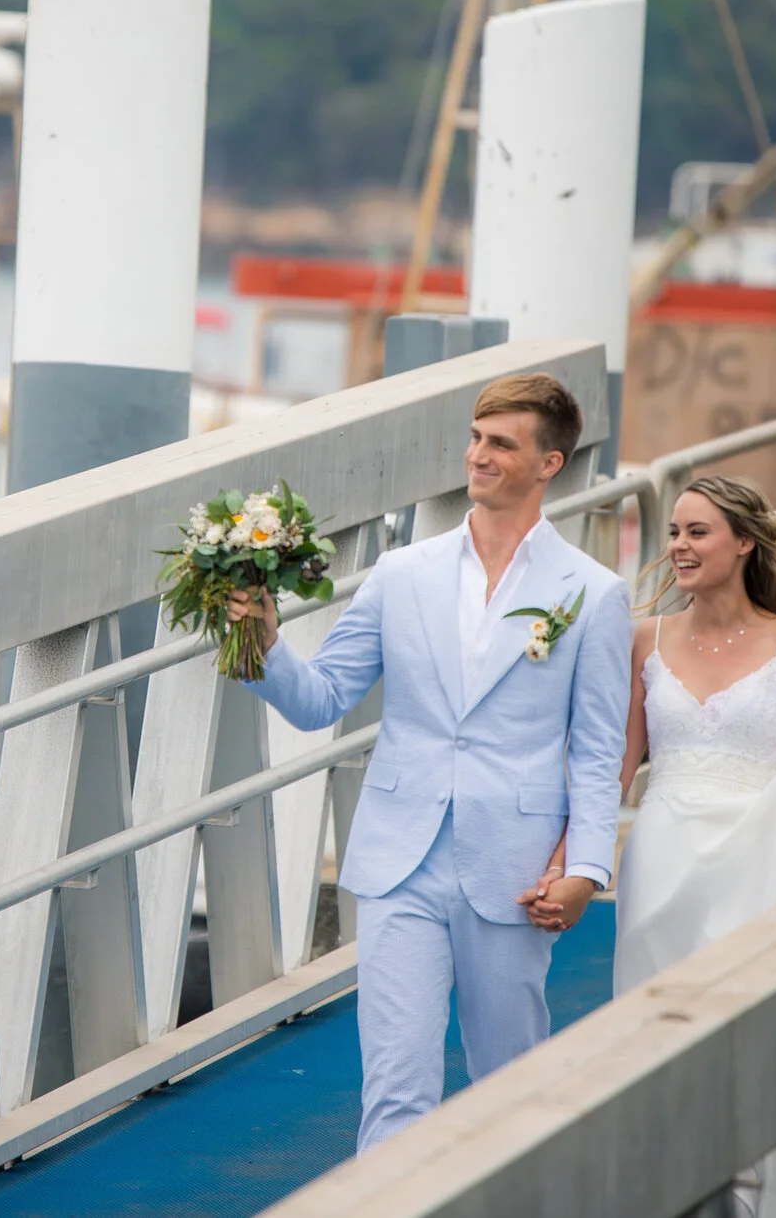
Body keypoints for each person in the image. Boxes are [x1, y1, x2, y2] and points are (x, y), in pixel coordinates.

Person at [228, 372, 631, 1154]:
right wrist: (261, 641)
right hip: (398, 862)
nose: (478, 455)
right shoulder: (401, 572)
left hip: (514, 873)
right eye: (476, 437)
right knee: (396, 1090)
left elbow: (596, 748)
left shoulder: (593, 592)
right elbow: (320, 698)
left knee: (507, 1092)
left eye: (501, 443)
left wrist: (586, 867)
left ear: (549, 463)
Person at [590, 474, 776, 995]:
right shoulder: (645, 640)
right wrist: (572, 860)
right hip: (660, 856)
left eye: (697, 532)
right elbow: (616, 766)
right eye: (674, 533)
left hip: (761, 859)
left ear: (744, 543)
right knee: (652, 1004)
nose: (679, 546)